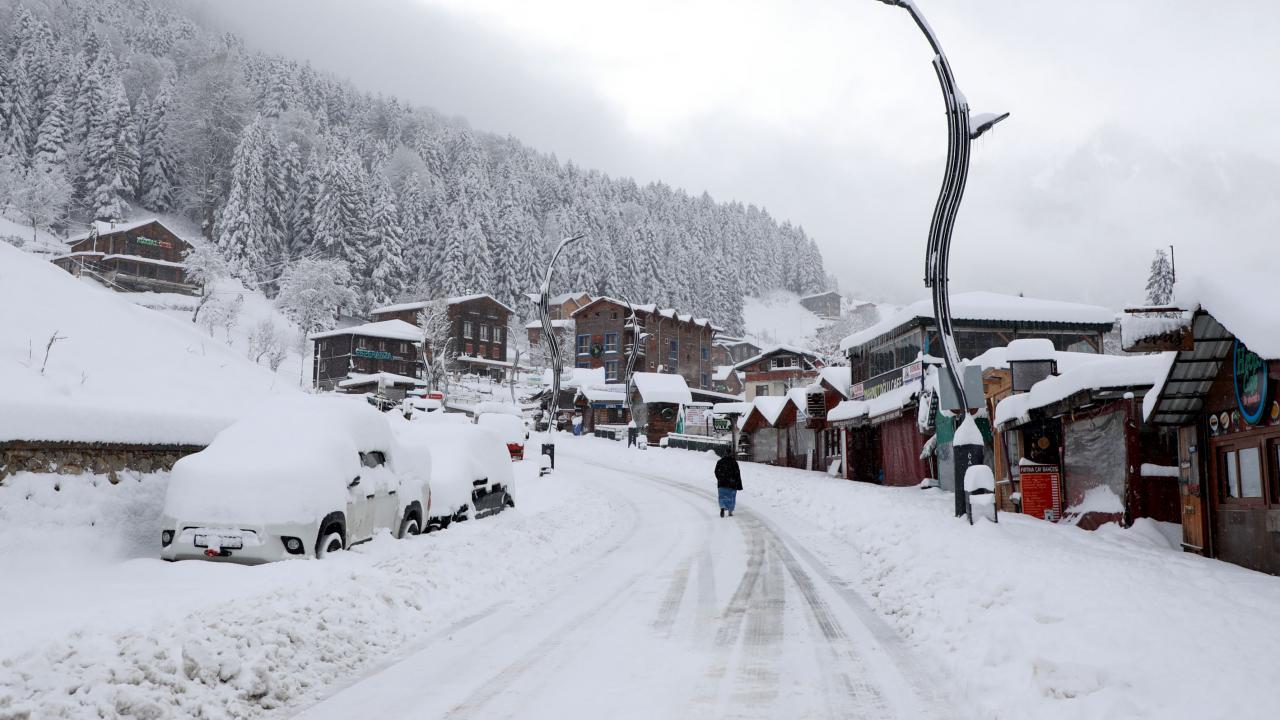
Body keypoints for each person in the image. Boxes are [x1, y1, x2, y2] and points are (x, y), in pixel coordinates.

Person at [714, 447, 742, 518]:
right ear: (731, 454)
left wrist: (720, 478)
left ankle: (722, 507)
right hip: (732, 483)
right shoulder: (734, 462)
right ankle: (730, 511)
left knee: (722, 497)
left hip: (722, 483)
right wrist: (738, 484)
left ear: (725, 453)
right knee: (731, 497)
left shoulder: (720, 462)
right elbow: (737, 474)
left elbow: (716, 471)